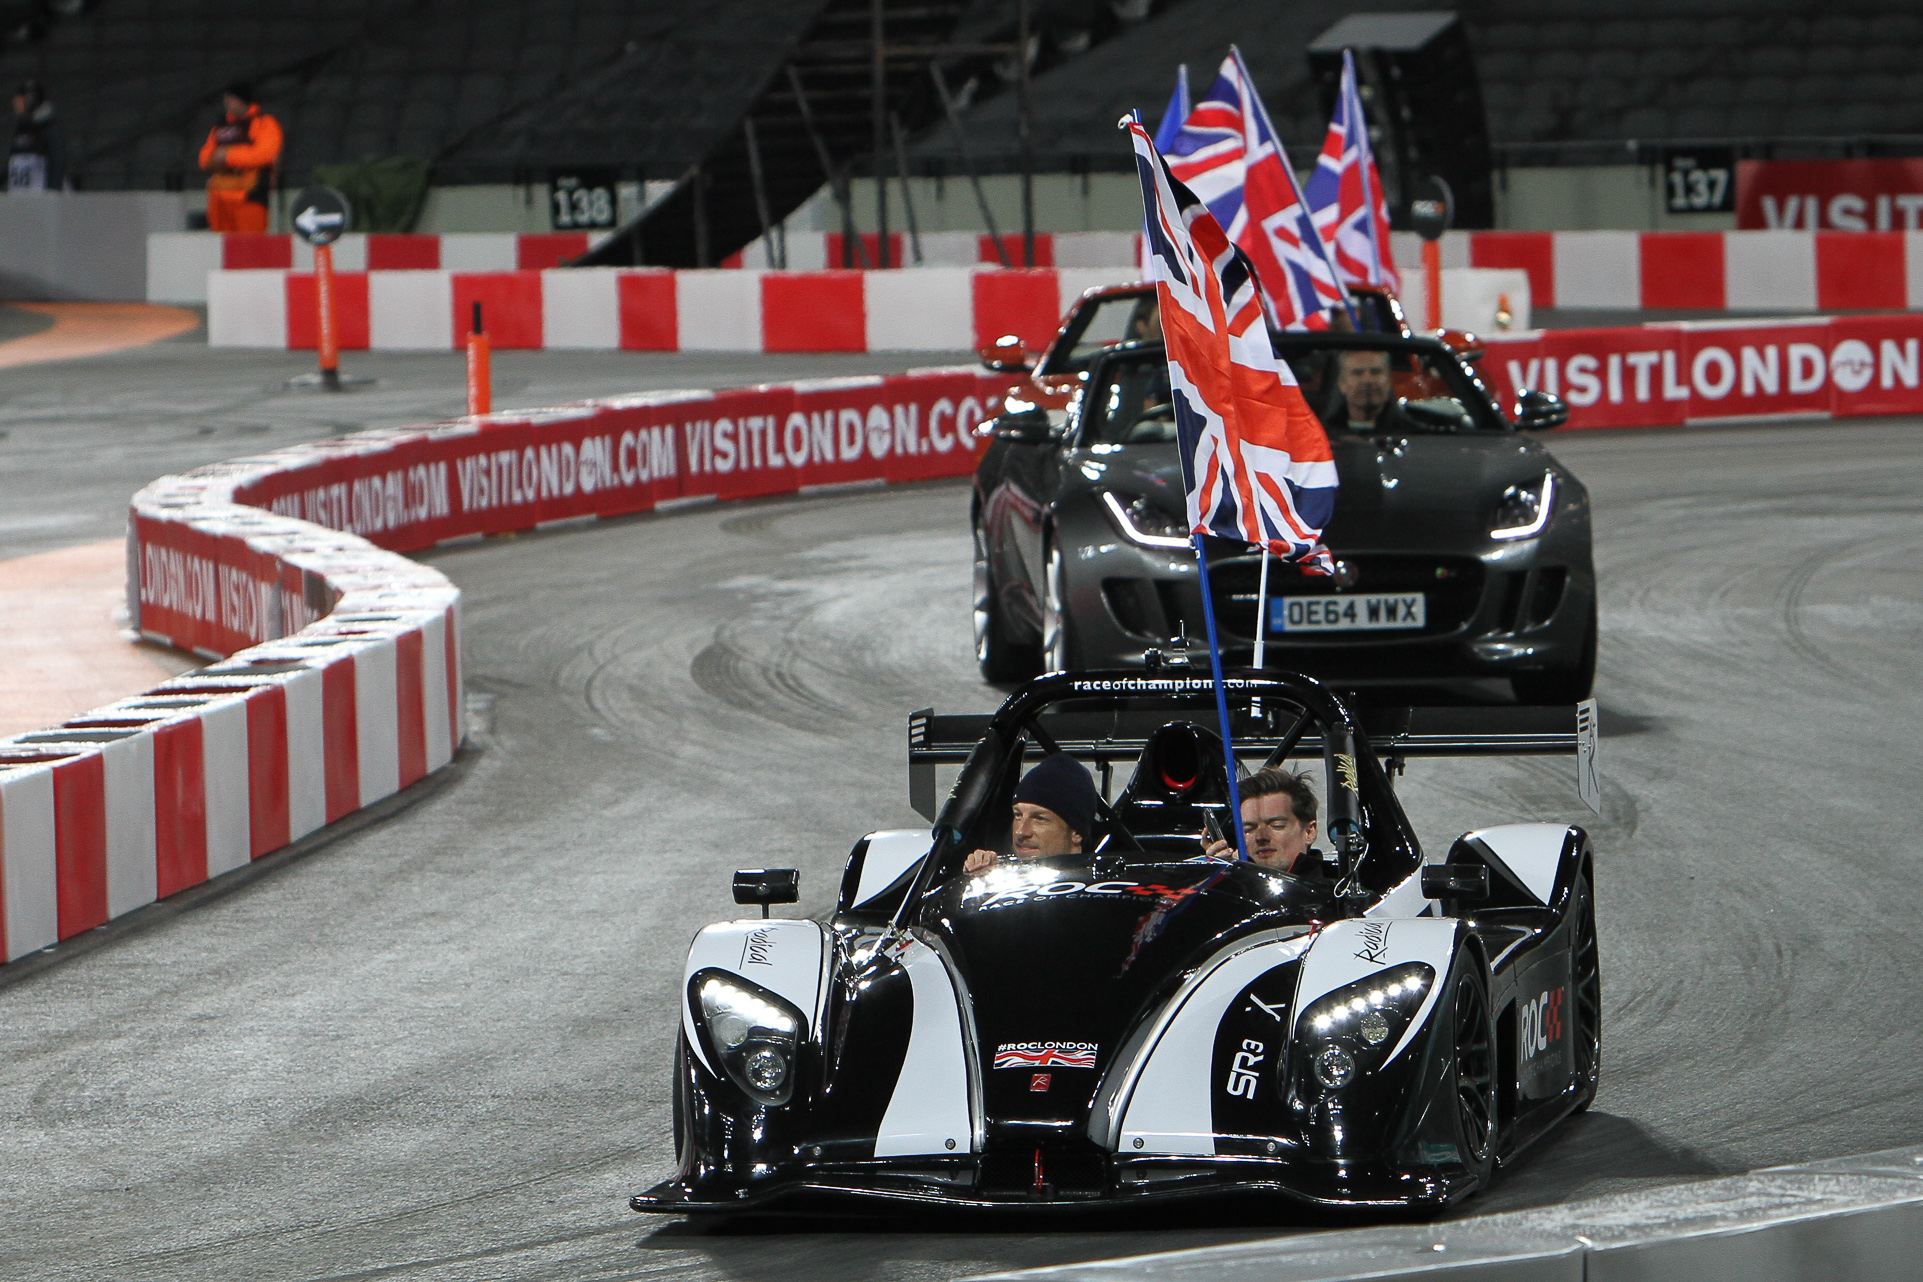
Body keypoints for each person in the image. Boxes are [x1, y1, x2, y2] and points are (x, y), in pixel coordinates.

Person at [963, 753, 1100, 874]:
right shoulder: (1001, 881)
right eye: (1018, 815)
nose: (1021, 832)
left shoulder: (1101, 888)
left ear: (1077, 833)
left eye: (1039, 819)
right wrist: (982, 879)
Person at [1200, 767, 1322, 874]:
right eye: (1249, 829)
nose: (1260, 837)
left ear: (1309, 832)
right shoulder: (1232, 882)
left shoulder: (1331, 889)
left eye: (1277, 825)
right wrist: (1217, 880)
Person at [198, 83, 282, 233]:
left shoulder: (263, 123)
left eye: (231, 99)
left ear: (242, 100)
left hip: (249, 197)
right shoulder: (220, 126)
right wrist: (218, 158)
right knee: (220, 245)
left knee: (250, 244)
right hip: (219, 200)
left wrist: (227, 156)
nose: (226, 103)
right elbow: (204, 159)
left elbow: (264, 154)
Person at [7, 80, 64, 193]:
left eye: (19, 100)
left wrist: (51, 192)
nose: (15, 103)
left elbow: (57, 163)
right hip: (21, 194)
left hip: (38, 193)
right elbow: (11, 163)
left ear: (31, 100)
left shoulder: (48, 129)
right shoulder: (21, 128)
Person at [1334, 348, 1404, 431]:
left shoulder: (1411, 432)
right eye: (1358, 373)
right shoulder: (1324, 433)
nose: (1367, 380)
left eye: (1375, 372)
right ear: (1341, 383)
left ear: (1389, 380)